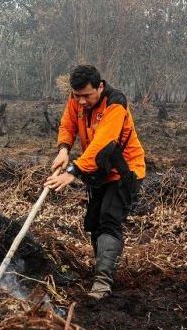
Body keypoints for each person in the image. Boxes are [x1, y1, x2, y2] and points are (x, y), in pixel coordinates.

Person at [44, 64, 145, 300]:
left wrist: (73, 171)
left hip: (124, 171)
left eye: (86, 96)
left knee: (109, 220)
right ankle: (103, 269)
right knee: (94, 221)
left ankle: (102, 283)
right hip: (98, 171)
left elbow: (103, 143)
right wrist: (63, 149)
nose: (81, 102)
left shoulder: (115, 103)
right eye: (77, 96)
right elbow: (68, 125)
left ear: (100, 87)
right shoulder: (76, 98)